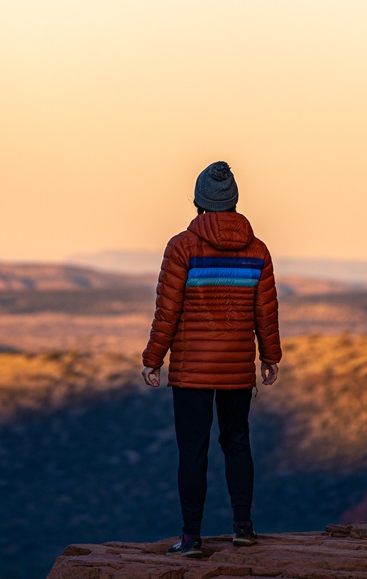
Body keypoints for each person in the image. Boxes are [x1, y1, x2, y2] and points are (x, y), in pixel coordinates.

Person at [141, 160, 282, 558]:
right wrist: (270, 356)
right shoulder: (257, 251)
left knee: (193, 451)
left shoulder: (182, 247)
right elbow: (265, 313)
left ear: (200, 203)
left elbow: (167, 311)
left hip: (191, 372)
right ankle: (244, 528)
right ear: (234, 202)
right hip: (237, 368)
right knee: (237, 443)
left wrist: (154, 358)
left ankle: (191, 538)